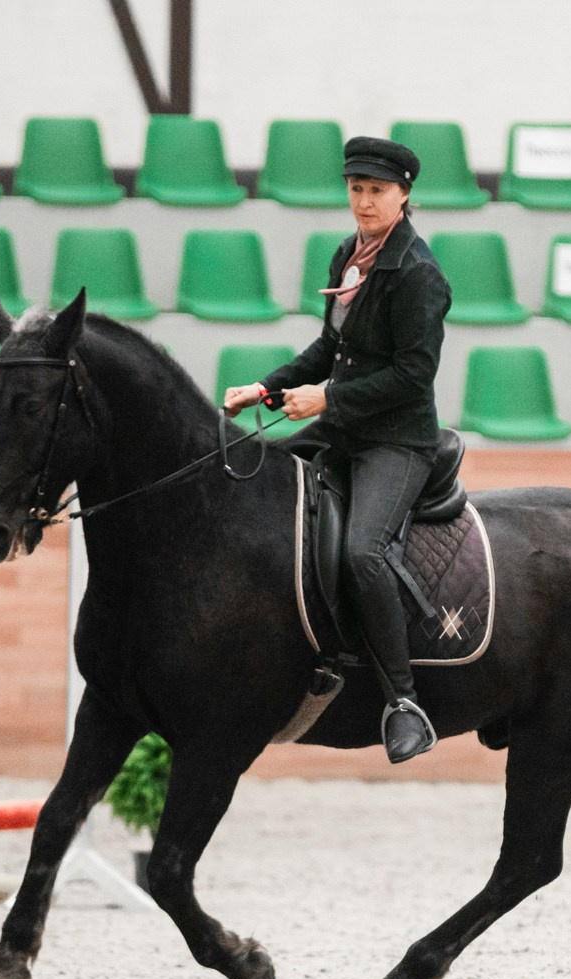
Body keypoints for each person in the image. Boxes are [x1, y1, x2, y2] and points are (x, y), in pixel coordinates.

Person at [223, 136, 453, 764]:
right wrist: (267, 387)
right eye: (356, 189)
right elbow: (330, 351)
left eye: (377, 190)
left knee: (363, 551)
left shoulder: (418, 275)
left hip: (397, 440)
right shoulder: (348, 257)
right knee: (257, 491)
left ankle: (404, 702)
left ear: (404, 195)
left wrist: (324, 402)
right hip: (345, 425)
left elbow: (413, 376)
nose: (364, 200)